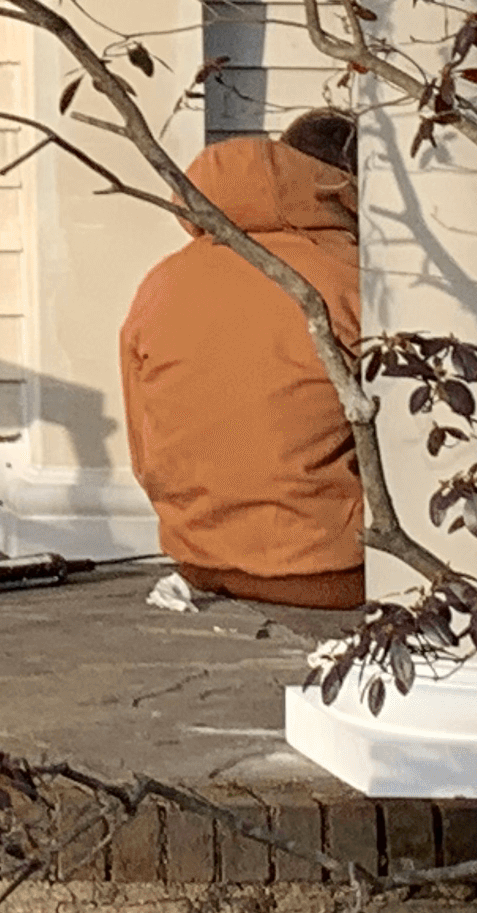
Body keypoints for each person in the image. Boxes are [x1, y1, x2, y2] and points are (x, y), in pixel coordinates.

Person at [118, 109, 365, 610]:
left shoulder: (162, 281)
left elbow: (142, 446)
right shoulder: (353, 277)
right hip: (334, 573)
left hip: (200, 560)